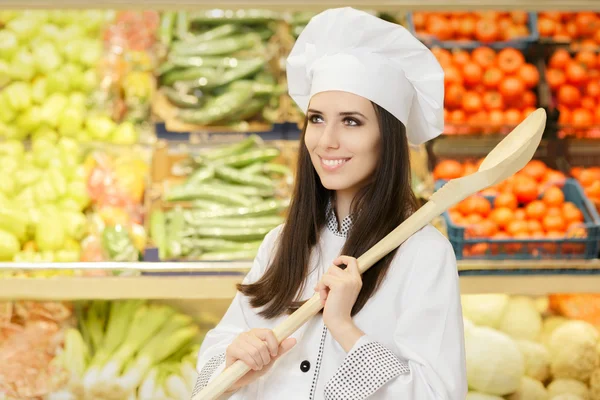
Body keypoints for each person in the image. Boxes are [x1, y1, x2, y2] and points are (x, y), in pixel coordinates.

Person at [193, 7, 467, 400]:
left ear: (386, 138)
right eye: (317, 119)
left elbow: (436, 395)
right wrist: (233, 365)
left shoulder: (424, 254)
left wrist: (343, 327)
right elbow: (211, 366)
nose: (326, 141)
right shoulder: (280, 243)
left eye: (352, 121)